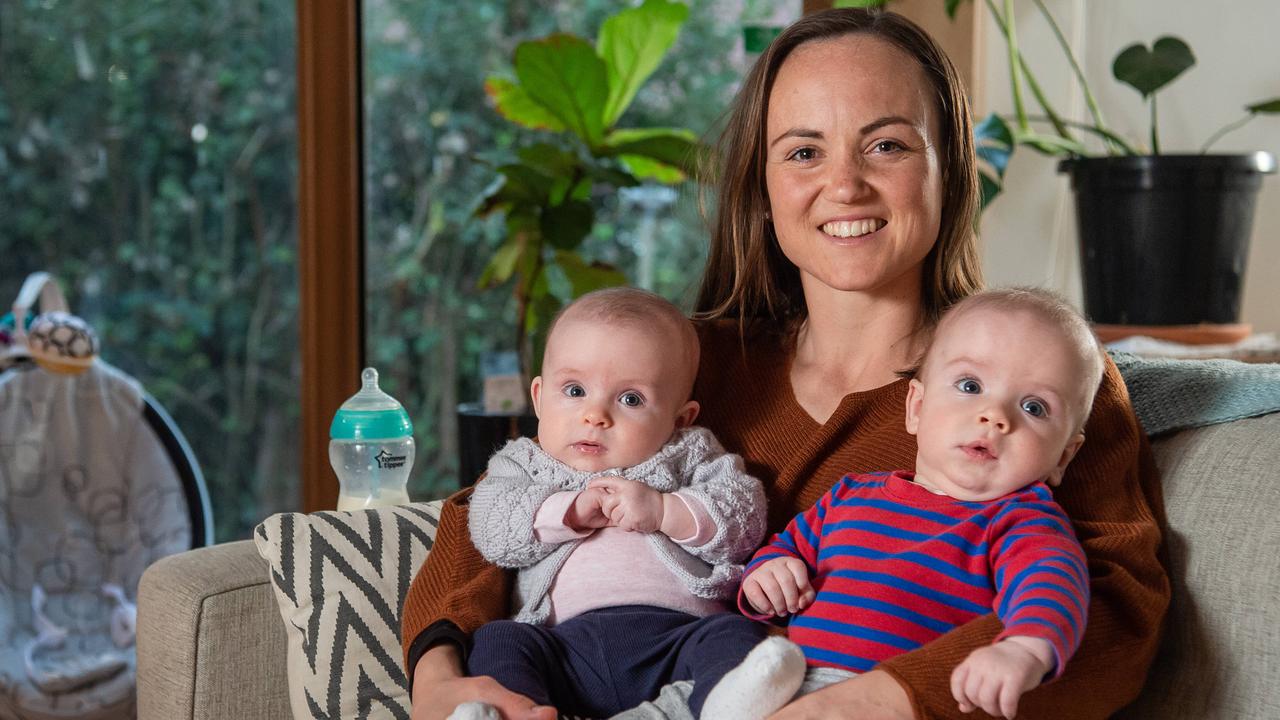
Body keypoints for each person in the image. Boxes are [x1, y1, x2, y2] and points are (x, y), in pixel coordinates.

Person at [402, 8, 1169, 720]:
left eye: (889, 145)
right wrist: (439, 676)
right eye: (804, 151)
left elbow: (1116, 612)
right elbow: (493, 507)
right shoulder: (689, 364)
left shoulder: (1044, 382)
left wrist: (873, 702)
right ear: (763, 188)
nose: (845, 184)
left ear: (951, 169)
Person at [739, 288, 1102, 719]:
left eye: (1034, 406)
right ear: (917, 407)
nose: (996, 415)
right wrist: (768, 574)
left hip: (874, 696)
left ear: (1063, 456)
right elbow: (786, 547)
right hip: (780, 677)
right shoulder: (850, 494)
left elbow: (1052, 582)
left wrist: (1024, 649)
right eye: (971, 386)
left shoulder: (1021, 523)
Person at [449, 287, 802, 720]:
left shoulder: (690, 453)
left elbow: (742, 517)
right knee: (499, 640)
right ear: (539, 397)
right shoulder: (524, 462)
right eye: (574, 390)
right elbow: (492, 524)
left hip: (678, 636)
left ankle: (727, 703)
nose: (595, 414)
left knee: (733, 633)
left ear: (679, 418)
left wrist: (663, 511)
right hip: (562, 646)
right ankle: (516, 711)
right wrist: (568, 511)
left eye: (630, 399)